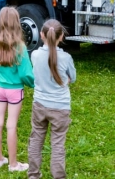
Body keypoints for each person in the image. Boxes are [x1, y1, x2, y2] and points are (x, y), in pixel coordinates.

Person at [28, 19, 76, 179]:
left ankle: (33, 175)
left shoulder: (34, 55)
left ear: (41, 35)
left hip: (40, 104)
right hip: (60, 107)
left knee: (36, 139)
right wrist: (66, 80)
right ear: (61, 36)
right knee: (58, 144)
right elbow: (72, 78)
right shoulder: (66, 58)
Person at [0, 7, 34, 172]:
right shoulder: (20, 46)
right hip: (15, 90)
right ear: (17, 23)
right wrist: (34, 84)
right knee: (11, 125)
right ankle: (13, 164)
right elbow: (26, 74)